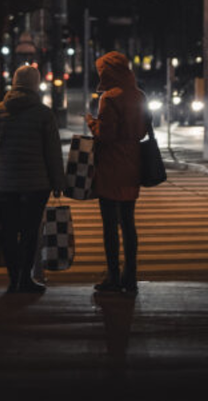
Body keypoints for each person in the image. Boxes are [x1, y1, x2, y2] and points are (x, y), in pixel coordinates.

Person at [0, 64, 66, 293]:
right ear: (35, 85)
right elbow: (53, 153)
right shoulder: (44, 114)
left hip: (4, 183)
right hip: (36, 185)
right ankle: (25, 279)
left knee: (8, 231)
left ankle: (12, 279)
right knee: (30, 232)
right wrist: (58, 183)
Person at [85, 51, 146, 293]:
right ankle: (130, 275)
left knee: (110, 224)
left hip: (110, 167)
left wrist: (91, 122)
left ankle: (113, 275)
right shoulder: (139, 95)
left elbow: (106, 134)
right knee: (128, 223)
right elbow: (142, 132)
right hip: (132, 164)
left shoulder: (109, 98)